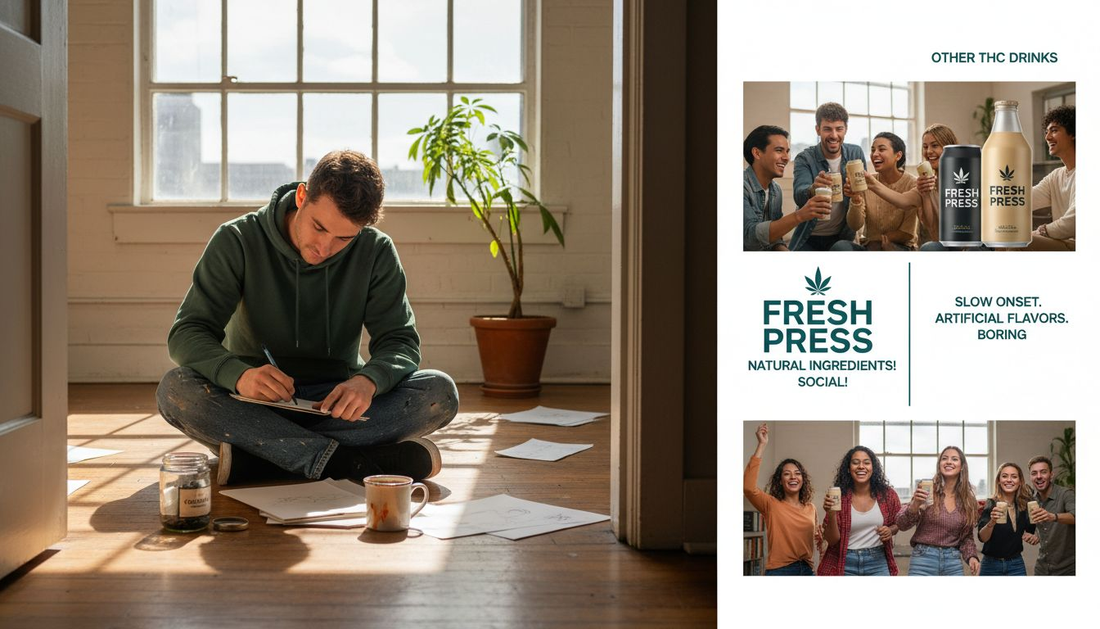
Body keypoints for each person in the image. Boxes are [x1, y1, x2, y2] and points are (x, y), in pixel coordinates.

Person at [156, 150, 459, 486]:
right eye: (319, 227)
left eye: (344, 238)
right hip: (252, 403)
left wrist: (368, 382)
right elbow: (187, 332)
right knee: (176, 389)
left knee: (439, 393)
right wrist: (239, 375)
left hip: (336, 405)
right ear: (301, 197)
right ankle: (349, 462)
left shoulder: (377, 251)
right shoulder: (237, 239)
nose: (324, 248)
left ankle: (266, 458)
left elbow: (399, 340)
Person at [789, 103, 868, 251]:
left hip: (842, 234)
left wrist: (856, 194)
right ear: (818, 130)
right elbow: (799, 196)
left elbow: (863, 193)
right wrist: (813, 189)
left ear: (846, 129)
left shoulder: (855, 154)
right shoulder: (805, 158)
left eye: (839, 129)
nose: (834, 135)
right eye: (827, 129)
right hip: (809, 234)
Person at [744, 423, 817, 575]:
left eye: (797, 473)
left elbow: (815, 538)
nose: (793, 477)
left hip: (807, 570)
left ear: (803, 479)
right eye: (787, 474)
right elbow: (748, 487)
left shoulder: (811, 508)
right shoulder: (771, 504)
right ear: (780, 481)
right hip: (780, 571)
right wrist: (762, 444)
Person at [743, 125, 831, 250]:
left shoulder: (775, 190)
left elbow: (775, 238)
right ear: (757, 153)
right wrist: (799, 215)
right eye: (779, 150)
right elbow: (749, 238)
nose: (786, 158)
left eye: (787, 151)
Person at [897, 446, 981, 575]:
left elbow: (966, 537)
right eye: (944, 458)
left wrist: (972, 557)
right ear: (939, 464)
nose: (948, 462)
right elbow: (901, 524)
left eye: (954, 459)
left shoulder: (968, 500)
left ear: (962, 466)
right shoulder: (927, 491)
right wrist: (915, 505)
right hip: (923, 559)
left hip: (953, 561)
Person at [817, 446, 901, 576]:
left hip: (878, 561)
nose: (861, 466)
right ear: (848, 469)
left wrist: (890, 530)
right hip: (845, 562)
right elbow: (832, 541)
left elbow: (899, 522)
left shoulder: (888, 495)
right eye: (855, 463)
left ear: (873, 468)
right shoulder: (839, 496)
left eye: (866, 463)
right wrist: (831, 514)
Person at [832, 132, 920, 251]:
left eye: (881, 149)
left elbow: (907, 233)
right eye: (873, 150)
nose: (875, 154)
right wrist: (855, 199)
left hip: (901, 247)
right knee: (841, 246)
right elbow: (855, 225)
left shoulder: (912, 183)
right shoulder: (866, 182)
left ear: (898, 155)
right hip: (870, 245)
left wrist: (878, 240)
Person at [1026, 105, 1075, 251]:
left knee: (1019, 241)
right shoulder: (1056, 176)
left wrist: (1041, 231)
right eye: (1046, 132)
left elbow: (1074, 222)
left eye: (1054, 130)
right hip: (1061, 242)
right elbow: (1025, 200)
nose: (1047, 137)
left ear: (1073, 133)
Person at [977, 462, 1037, 576]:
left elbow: (1031, 531)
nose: (1009, 480)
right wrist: (992, 522)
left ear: (1020, 481)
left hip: (1016, 564)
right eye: (1004, 476)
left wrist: (1032, 537)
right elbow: (982, 538)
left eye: (1014, 476)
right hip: (990, 564)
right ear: (999, 481)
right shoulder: (991, 504)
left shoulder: (1024, 505)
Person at [1028, 455, 1076, 575]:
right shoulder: (1032, 500)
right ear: (1030, 477)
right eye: (1034, 473)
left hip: (1068, 569)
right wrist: (1036, 535)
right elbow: (1043, 528)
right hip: (1042, 568)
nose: (1039, 476)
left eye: (1043, 472)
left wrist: (1053, 517)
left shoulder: (1066, 494)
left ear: (1051, 475)